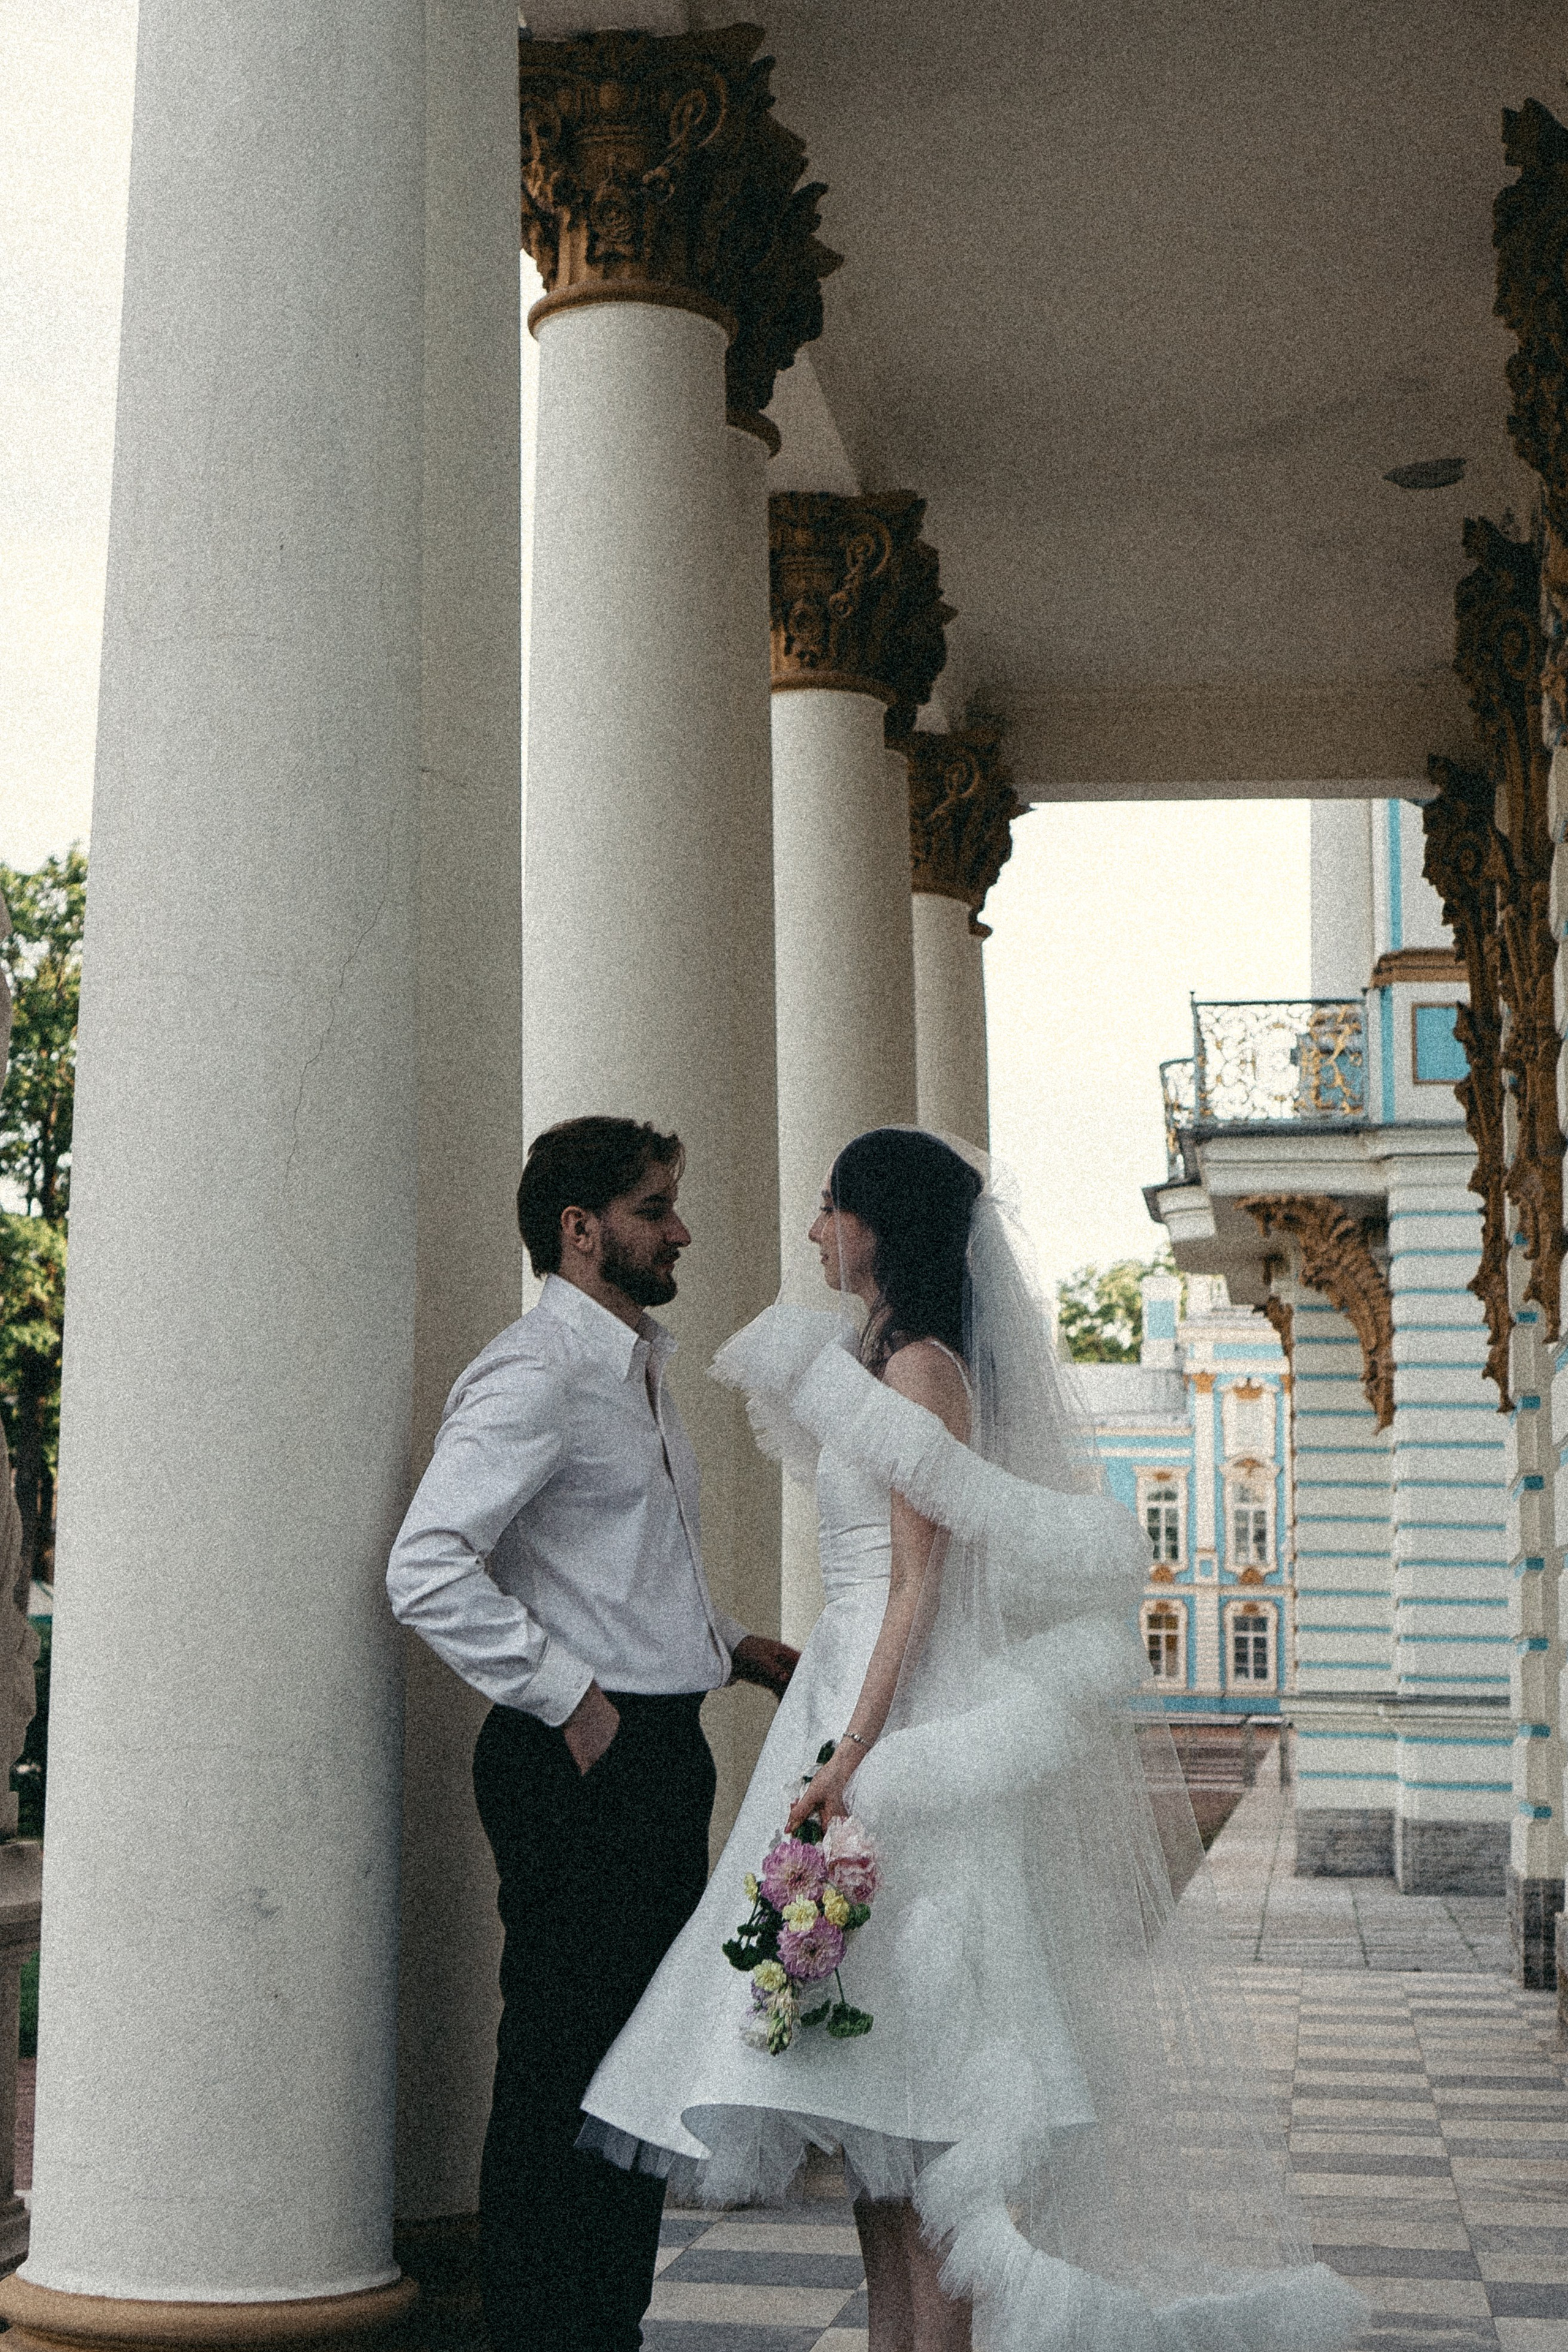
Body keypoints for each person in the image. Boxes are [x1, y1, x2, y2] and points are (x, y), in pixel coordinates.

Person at [579, 1126, 1369, 2352]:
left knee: (929, 2125)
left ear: (877, 1225)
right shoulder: (881, 1359)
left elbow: (914, 1588)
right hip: (849, 1697)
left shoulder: (918, 1374)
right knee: (877, 2140)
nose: (810, 1233)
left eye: (827, 1209)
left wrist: (850, 1757)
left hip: (898, 1724)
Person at [386, 1115, 797, 2352]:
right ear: (581, 1229)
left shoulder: (635, 1368)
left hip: (652, 1748)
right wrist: (571, 1699)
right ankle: (535, 2334)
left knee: (634, 2075)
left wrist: (724, 1644)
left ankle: (601, 2331)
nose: (679, 1228)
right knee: (563, 2072)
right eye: (655, 1206)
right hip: (578, 1767)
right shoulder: (537, 1372)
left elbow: (603, 1570)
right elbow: (427, 1567)